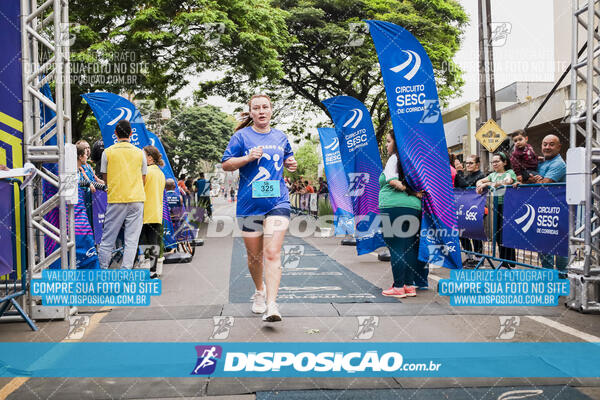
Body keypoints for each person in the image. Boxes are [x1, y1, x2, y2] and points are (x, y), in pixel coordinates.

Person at [221, 94, 297, 322]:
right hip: (249, 204)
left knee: (272, 253)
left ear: (271, 110)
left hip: (278, 201)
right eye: (257, 108)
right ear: (251, 112)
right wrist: (246, 158)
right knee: (255, 256)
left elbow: (289, 161)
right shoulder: (241, 137)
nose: (261, 111)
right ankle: (259, 291)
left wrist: (291, 164)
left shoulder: (281, 136)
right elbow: (226, 164)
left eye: (265, 107)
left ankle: (272, 305)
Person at [379, 133, 425, 298]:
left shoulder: (394, 158)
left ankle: (398, 287)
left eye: (388, 141)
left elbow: (393, 181)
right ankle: (409, 286)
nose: (386, 145)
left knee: (396, 247)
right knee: (410, 247)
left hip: (393, 208)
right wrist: (414, 193)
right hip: (414, 208)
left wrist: (409, 190)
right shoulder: (415, 160)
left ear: (397, 143)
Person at [97, 120, 147, 269]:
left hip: (116, 199)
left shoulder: (108, 152)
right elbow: (143, 178)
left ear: (115, 134)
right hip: (136, 199)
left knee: (107, 240)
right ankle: (125, 274)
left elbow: (105, 177)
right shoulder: (140, 153)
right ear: (131, 133)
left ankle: (103, 273)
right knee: (131, 240)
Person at [529, 134, 568, 276]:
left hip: (559, 212)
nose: (547, 147)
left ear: (559, 147)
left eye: (551, 144)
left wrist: (533, 180)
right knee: (544, 246)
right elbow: (528, 178)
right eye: (545, 144)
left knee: (559, 247)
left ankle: (562, 278)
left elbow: (544, 185)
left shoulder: (559, 164)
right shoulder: (541, 162)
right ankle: (548, 278)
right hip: (543, 211)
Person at [476, 152, 516, 267]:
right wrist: (480, 185)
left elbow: (507, 181)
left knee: (506, 234)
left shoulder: (509, 173)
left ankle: (510, 262)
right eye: (493, 162)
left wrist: (488, 184)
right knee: (497, 234)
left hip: (506, 207)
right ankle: (503, 262)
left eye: (497, 161)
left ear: (504, 162)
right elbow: (480, 181)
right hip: (493, 207)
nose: (494, 164)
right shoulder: (492, 175)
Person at [138, 146, 166, 277]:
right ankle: (153, 271)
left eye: (143, 155)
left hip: (143, 211)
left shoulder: (146, 172)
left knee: (135, 241)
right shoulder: (160, 173)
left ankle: (130, 269)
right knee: (153, 242)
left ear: (150, 157)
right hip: (156, 212)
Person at [454, 155, 486, 266]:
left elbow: (465, 186)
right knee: (463, 233)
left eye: (470, 163)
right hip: (464, 209)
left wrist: (459, 171)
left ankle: (478, 259)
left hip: (476, 208)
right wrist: (460, 173)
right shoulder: (467, 176)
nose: (468, 165)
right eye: (466, 163)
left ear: (477, 164)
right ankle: (469, 257)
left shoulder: (481, 176)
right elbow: (458, 184)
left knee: (475, 233)